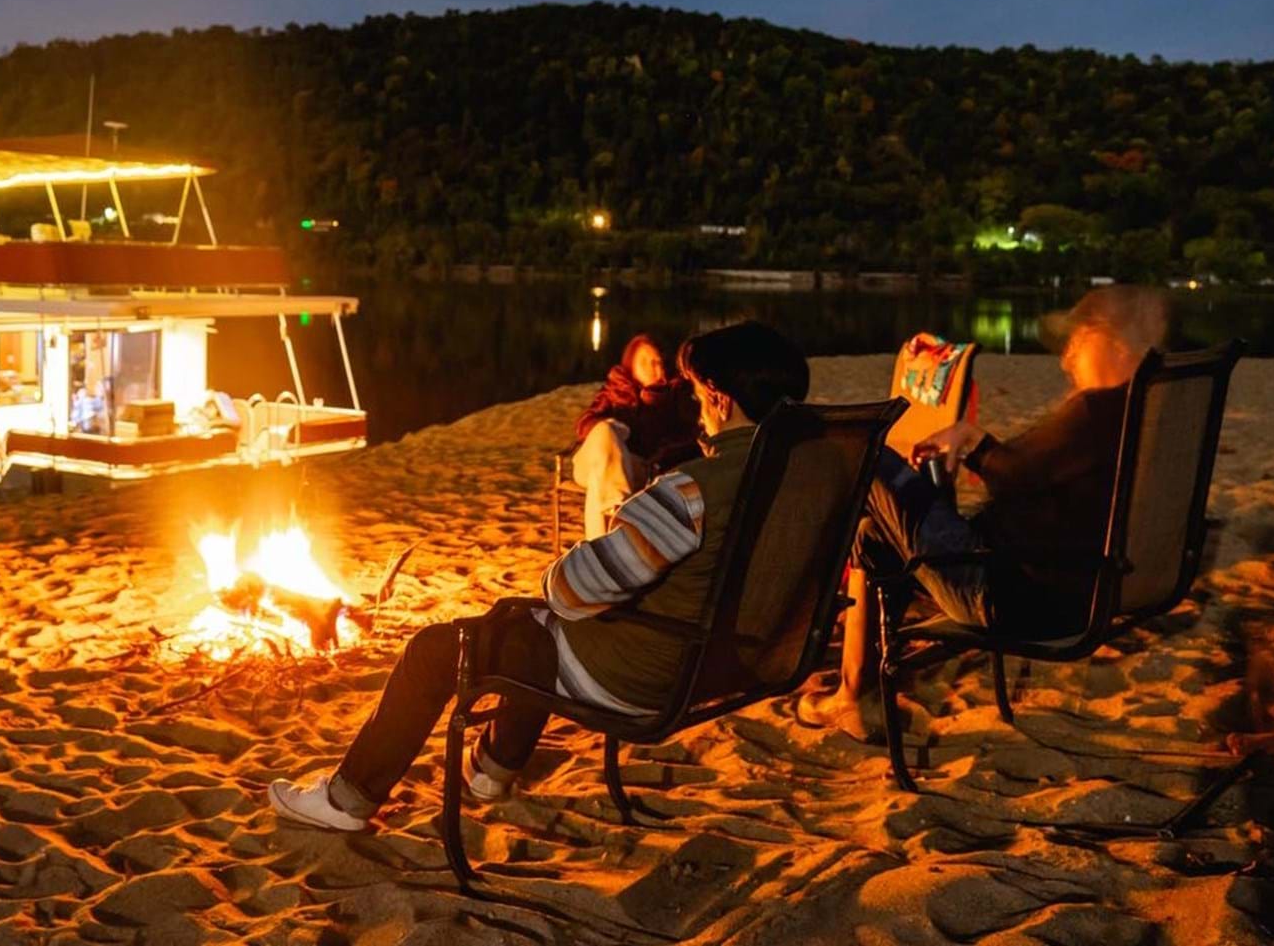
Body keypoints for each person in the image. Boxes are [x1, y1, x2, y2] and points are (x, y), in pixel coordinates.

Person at [268, 322, 810, 830]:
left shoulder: (694, 489)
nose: (693, 407)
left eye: (694, 392)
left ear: (719, 398)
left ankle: (347, 800)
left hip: (644, 675)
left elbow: (574, 588)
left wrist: (577, 563)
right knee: (529, 629)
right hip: (735, 664)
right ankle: (492, 768)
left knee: (437, 649)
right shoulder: (805, 479)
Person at [799, 285, 1172, 740]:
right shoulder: (1148, 415)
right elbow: (1031, 473)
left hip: (1008, 592)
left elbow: (1013, 474)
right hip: (1081, 590)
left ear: (1112, 342)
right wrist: (972, 447)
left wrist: (971, 441)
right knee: (874, 531)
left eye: (1078, 341)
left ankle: (820, 627)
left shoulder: (1098, 411)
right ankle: (857, 692)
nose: (1067, 358)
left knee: (869, 454)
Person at [570, 333, 703, 541]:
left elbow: (689, 435)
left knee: (601, 480)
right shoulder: (614, 389)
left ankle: (602, 540)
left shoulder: (674, 394)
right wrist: (612, 431)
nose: (654, 368)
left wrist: (662, 451)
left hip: (635, 466)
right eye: (645, 362)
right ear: (631, 365)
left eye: (657, 362)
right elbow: (584, 423)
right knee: (605, 431)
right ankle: (618, 512)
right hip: (591, 460)